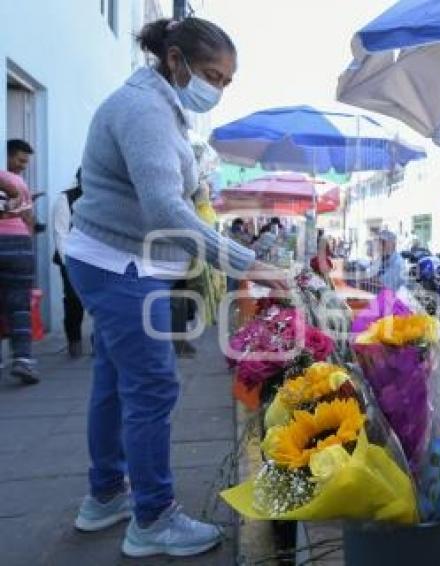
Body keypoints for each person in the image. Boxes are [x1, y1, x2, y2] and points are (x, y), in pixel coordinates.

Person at [64, 17, 286, 558]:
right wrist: (246, 262)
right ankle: (153, 519)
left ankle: (106, 495)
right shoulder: (145, 110)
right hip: (120, 264)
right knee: (152, 387)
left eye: (228, 81)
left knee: (116, 383)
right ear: (176, 61)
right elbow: (165, 207)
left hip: (118, 259)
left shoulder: (160, 106)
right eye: (213, 74)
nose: (218, 88)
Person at [0, 139, 38, 384]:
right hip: (18, 246)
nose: (23, 166)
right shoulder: (17, 182)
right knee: (19, 305)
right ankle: (23, 359)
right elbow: (29, 220)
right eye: (20, 160)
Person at [52, 168, 86, 358]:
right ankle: (74, 342)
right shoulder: (65, 199)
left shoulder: (104, 200)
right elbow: (60, 234)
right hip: (72, 258)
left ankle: (101, 343)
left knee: (104, 302)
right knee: (73, 300)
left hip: (100, 259)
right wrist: (68, 264)